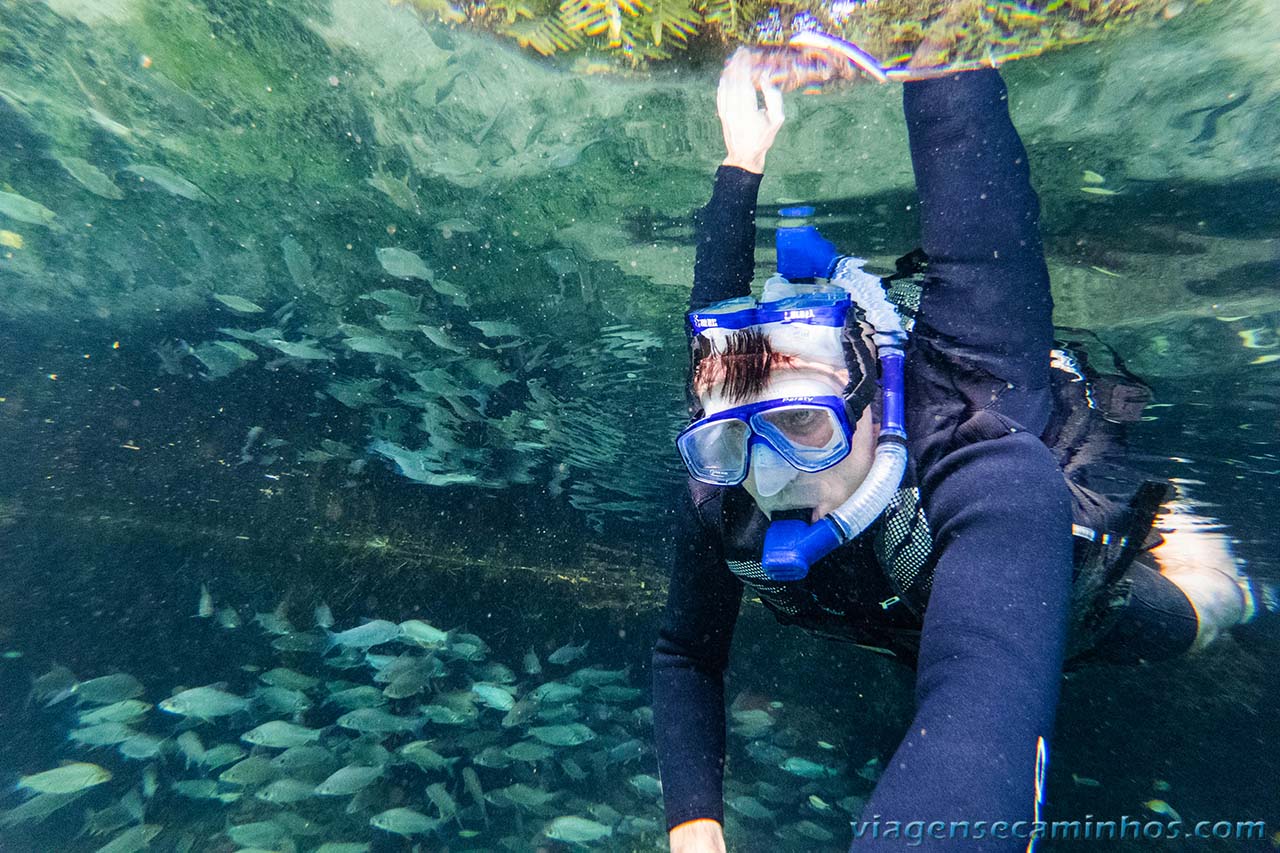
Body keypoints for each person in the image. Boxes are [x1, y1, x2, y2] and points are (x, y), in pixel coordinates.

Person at [652, 46, 1278, 852]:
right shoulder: (723, 490)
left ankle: (1223, 569)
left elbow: (978, 703)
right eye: (735, 433)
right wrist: (741, 161)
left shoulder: (976, 460)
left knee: (1207, 609)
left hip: (1069, 597)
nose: (766, 470)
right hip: (896, 614)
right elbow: (683, 653)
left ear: (877, 404)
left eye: (805, 425)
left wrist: (929, 34)